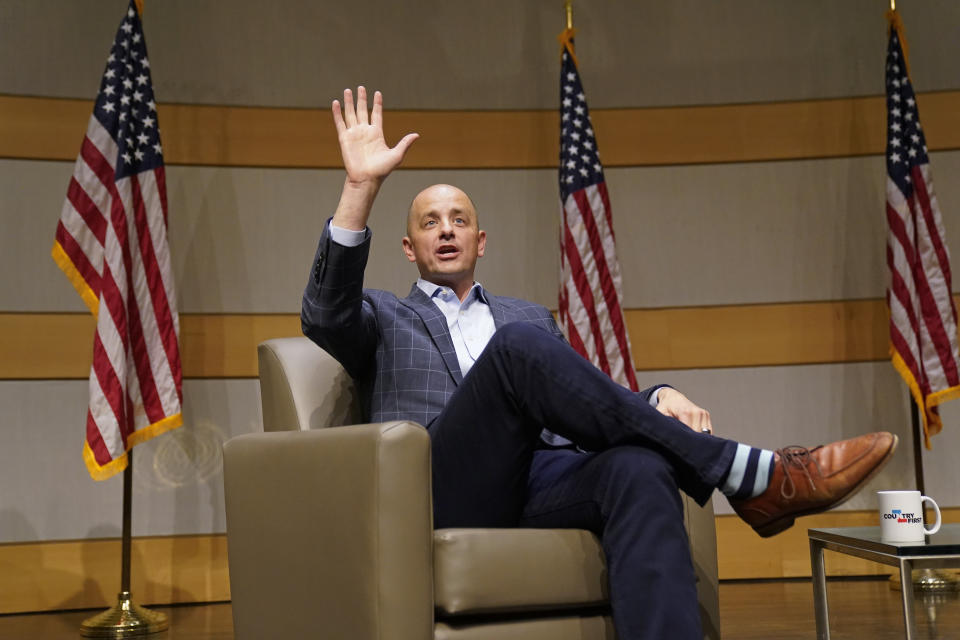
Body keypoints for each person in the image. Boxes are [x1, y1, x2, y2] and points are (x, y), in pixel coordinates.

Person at [301, 86, 897, 639]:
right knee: (516, 353)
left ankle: (741, 487)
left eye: (460, 220)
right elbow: (324, 314)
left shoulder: (530, 316)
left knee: (637, 465)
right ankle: (750, 474)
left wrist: (655, 395)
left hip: (538, 480)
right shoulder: (382, 316)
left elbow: (587, 404)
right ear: (409, 248)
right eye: (430, 223)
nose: (447, 231)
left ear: (482, 241)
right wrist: (360, 187)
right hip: (443, 486)